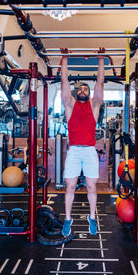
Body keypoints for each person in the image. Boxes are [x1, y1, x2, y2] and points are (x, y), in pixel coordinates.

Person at [60, 53, 104, 237]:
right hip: (74, 151)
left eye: (86, 89)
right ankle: (68, 219)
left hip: (90, 151)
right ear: (76, 92)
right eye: (81, 89)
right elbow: (64, 81)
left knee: (92, 187)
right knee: (70, 186)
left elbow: (99, 84)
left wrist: (101, 60)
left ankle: (91, 217)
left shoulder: (94, 106)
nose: (84, 90)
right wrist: (64, 60)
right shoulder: (70, 106)